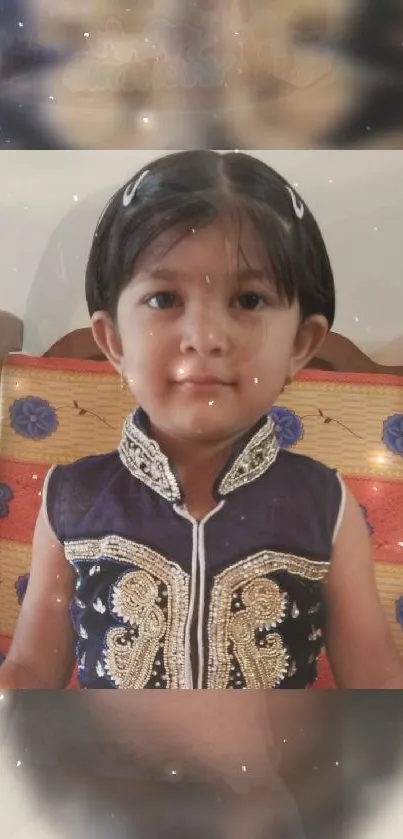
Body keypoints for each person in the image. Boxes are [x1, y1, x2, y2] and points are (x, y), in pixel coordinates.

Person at [0, 149, 402, 690]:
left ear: (301, 345)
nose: (207, 336)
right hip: (110, 775)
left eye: (250, 299)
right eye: (165, 297)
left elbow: (374, 679)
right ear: (113, 341)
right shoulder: (71, 497)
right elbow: (30, 671)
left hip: (282, 775)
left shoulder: (324, 503)